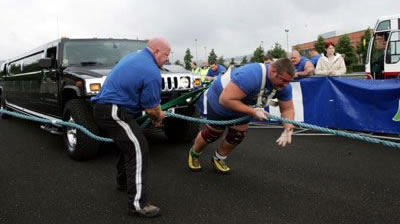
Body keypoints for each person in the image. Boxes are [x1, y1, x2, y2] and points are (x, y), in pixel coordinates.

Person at [91, 38, 170, 218]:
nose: (167, 59)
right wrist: (159, 117)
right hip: (114, 111)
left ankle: (123, 181)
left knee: (128, 144)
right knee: (138, 149)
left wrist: (155, 112)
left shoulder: (134, 57)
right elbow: (151, 109)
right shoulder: (151, 71)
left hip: (107, 109)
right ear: (156, 51)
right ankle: (137, 204)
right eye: (166, 54)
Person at [187, 58, 296, 174]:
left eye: (288, 82)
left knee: (237, 135)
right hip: (220, 100)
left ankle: (219, 158)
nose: (286, 85)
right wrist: (253, 112)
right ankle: (194, 153)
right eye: (284, 81)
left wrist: (288, 128)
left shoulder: (284, 85)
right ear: (273, 72)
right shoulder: (251, 75)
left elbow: (287, 108)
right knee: (213, 133)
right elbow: (225, 99)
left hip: (242, 102)